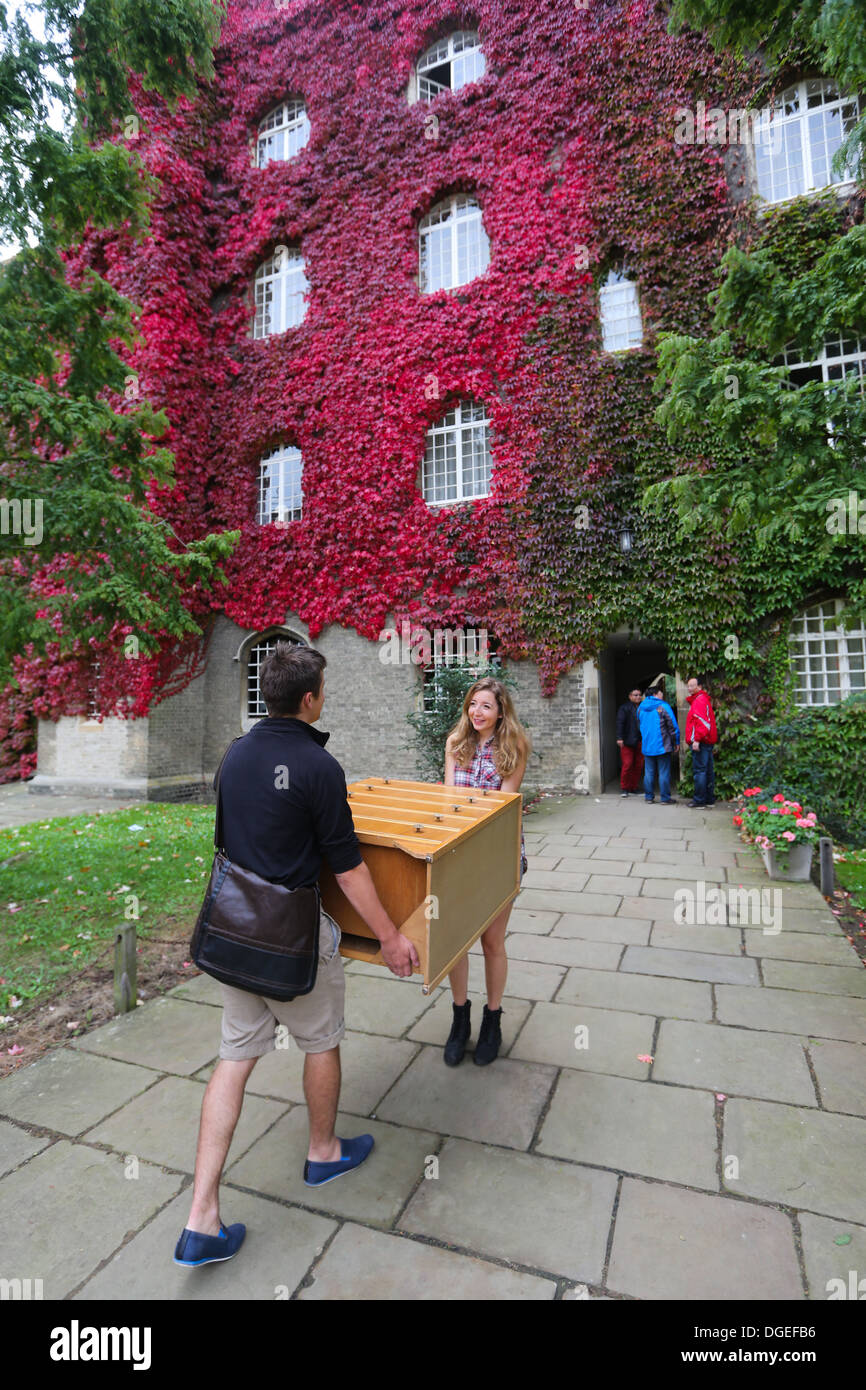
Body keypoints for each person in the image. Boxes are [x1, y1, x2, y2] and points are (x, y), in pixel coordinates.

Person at [174, 643, 419, 1268]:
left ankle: (201, 1216)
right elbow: (349, 865)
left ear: (265, 695)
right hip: (293, 939)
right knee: (321, 1041)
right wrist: (390, 937)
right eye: (323, 691)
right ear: (309, 699)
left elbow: (227, 844)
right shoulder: (318, 766)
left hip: (233, 934)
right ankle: (323, 1152)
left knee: (233, 1059)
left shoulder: (233, 755)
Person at [441, 678, 531, 1067]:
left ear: (500, 712)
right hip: (458, 851)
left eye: (486, 706)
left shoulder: (513, 748)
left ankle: (492, 1019)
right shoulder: (455, 744)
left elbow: (502, 807)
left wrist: (468, 807)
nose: (477, 712)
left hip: (497, 853)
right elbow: (448, 798)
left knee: (492, 943)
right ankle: (460, 1018)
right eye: (473, 704)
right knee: (455, 943)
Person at [637, 684, 680, 804]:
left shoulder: (640, 707)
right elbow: (673, 726)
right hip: (662, 745)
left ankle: (649, 797)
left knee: (649, 773)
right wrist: (676, 741)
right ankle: (665, 798)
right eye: (661, 693)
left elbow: (639, 724)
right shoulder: (663, 706)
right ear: (656, 694)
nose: (662, 695)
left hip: (647, 745)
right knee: (663, 772)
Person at [685, 676, 718, 808]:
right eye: (688, 686)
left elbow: (702, 723)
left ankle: (699, 801)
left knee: (700, 771)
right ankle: (709, 799)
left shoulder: (698, 701)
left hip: (701, 742)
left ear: (699, 687)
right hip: (707, 742)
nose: (689, 688)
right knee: (708, 771)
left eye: (692, 686)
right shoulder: (702, 699)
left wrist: (696, 740)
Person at [615, 686, 644, 796]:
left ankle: (633, 787)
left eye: (640, 695)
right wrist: (619, 737)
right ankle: (625, 788)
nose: (638, 697)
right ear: (630, 696)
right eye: (635, 695)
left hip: (640, 740)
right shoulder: (624, 708)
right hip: (627, 740)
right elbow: (620, 723)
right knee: (627, 764)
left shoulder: (643, 707)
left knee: (638, 765)